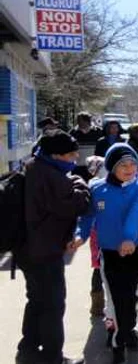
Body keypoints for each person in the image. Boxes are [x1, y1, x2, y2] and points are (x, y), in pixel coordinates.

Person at [15, 130, 91, 364]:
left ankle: (27, 349)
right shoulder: (52, 177)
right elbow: (78, 203)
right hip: (45, 250)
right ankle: (52, 357)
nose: (74, 158)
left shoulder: (32, 166)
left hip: (26, 248)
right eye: (70, 154)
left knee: (36, 299)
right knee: (53, 305)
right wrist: (80, 180)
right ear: (56, 155)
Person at [74, 144, 138, 364]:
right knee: (116, 298)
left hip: (136, 249)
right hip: (109, 253)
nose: (129, 169)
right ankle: (120, 343)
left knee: (131, 295)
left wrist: (129, 237)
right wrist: (80, 236)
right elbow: (88, 217)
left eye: (133, 164)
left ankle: (128, 331)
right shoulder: (97, 188)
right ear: (111, 167)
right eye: (123, 165)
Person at [70, 112, 103, 182]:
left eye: (81, 120)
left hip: (94, 165)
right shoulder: (73, 132)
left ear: (87, 121)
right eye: (78, 120)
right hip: (78, 166)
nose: (79, 122)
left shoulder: (98, 132)